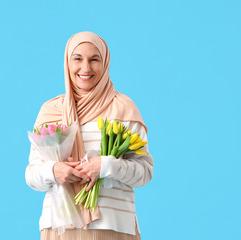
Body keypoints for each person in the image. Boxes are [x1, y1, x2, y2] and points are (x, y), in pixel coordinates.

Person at [25, 31, 154, 240]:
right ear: (68, 62)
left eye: (94, 59)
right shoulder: (51, 111)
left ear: (105, 63)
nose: (85, 68)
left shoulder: (123, 109)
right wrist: (54, 170)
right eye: (78, 59)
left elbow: (144, 172)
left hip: (113, 228)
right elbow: (32, 175)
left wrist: (105, 166)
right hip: (59, 229)